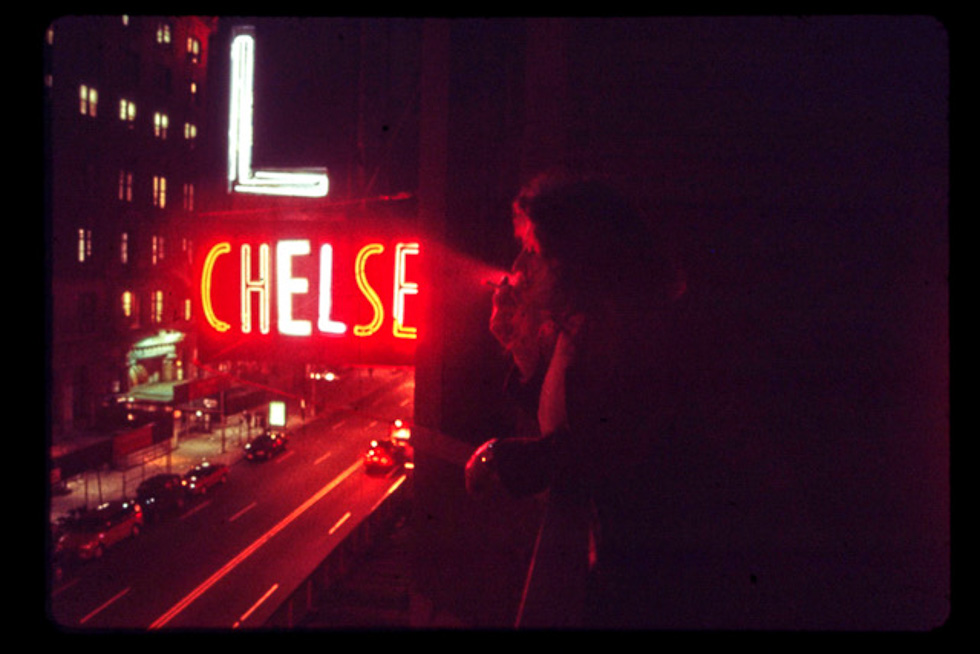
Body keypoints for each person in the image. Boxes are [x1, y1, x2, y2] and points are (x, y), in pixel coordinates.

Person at [466, 170, 688, 628]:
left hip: (640, 570)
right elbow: (571, 421)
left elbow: (613, 443)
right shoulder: (584, 325)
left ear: (575, 257)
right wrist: (522, 351)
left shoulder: (631, 327)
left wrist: (512, 460)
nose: (521, 268)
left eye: (536, 252)